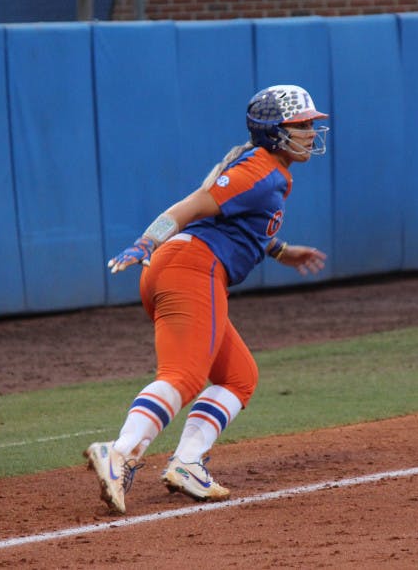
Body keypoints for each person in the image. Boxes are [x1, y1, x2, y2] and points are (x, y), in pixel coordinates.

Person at [84, 84, 329, 513]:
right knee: (184, 375)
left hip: (186, 268)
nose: (311, 132)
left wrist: (283, 252)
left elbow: (244, 226)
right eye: (301, 125)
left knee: (239, 377)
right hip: (191, 267)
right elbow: (193, 206)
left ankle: (187, 463)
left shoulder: (270, 170)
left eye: (310, 124)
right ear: (274, 131)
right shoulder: (258, 168)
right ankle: (119, 452)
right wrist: (146, 241)